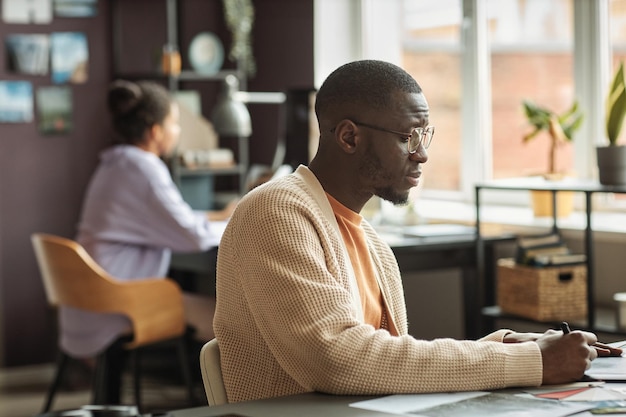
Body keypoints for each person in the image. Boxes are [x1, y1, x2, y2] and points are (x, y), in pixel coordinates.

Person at [213, 60, 621, 404]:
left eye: (425, 136)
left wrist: (506, 346)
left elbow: (386, 363)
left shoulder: (370, 240)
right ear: (349, 137)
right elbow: (337, 359)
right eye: (409, 137)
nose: (422, 153)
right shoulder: (275, 210)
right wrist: (534, 363)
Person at [64, 79, 235, 403]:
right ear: (155, 131)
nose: (177, 132)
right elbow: (192, 236)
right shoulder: (145, 168)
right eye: (173, 123)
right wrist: (235, 221)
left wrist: (216, 216)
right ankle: (227, 405)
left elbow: (166, 219)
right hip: (120, 302)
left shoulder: (114, 163)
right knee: (230, 317)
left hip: (90, 297)